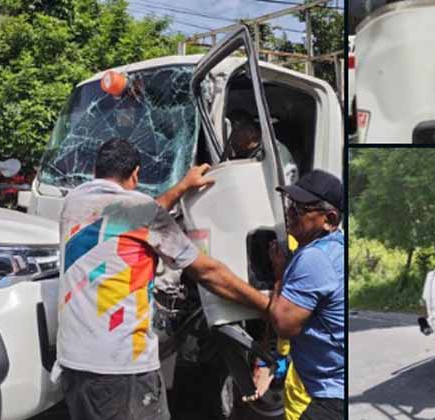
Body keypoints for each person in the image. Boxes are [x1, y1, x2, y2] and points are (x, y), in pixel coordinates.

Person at [55, 138, 270, 420]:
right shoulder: (141, 211)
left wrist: (181, 187)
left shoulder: (75, 202)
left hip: (74, 362)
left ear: (96, 170)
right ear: (135, 174)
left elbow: (134, 216)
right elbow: (206, 272)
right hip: (120, 368)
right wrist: (267, 305)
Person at [266, 170, 345, 420]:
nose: (290, 213)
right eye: (290, 205)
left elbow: (283, 325)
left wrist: (279, 276)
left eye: (299, 209)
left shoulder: (315, 257)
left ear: (329, 219)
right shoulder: (330, 248)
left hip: (328, 395)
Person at [227, 110, 298, 184]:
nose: (231, 138)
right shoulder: (245, 153)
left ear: (251, 131)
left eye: (235, 132)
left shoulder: (274, 153)